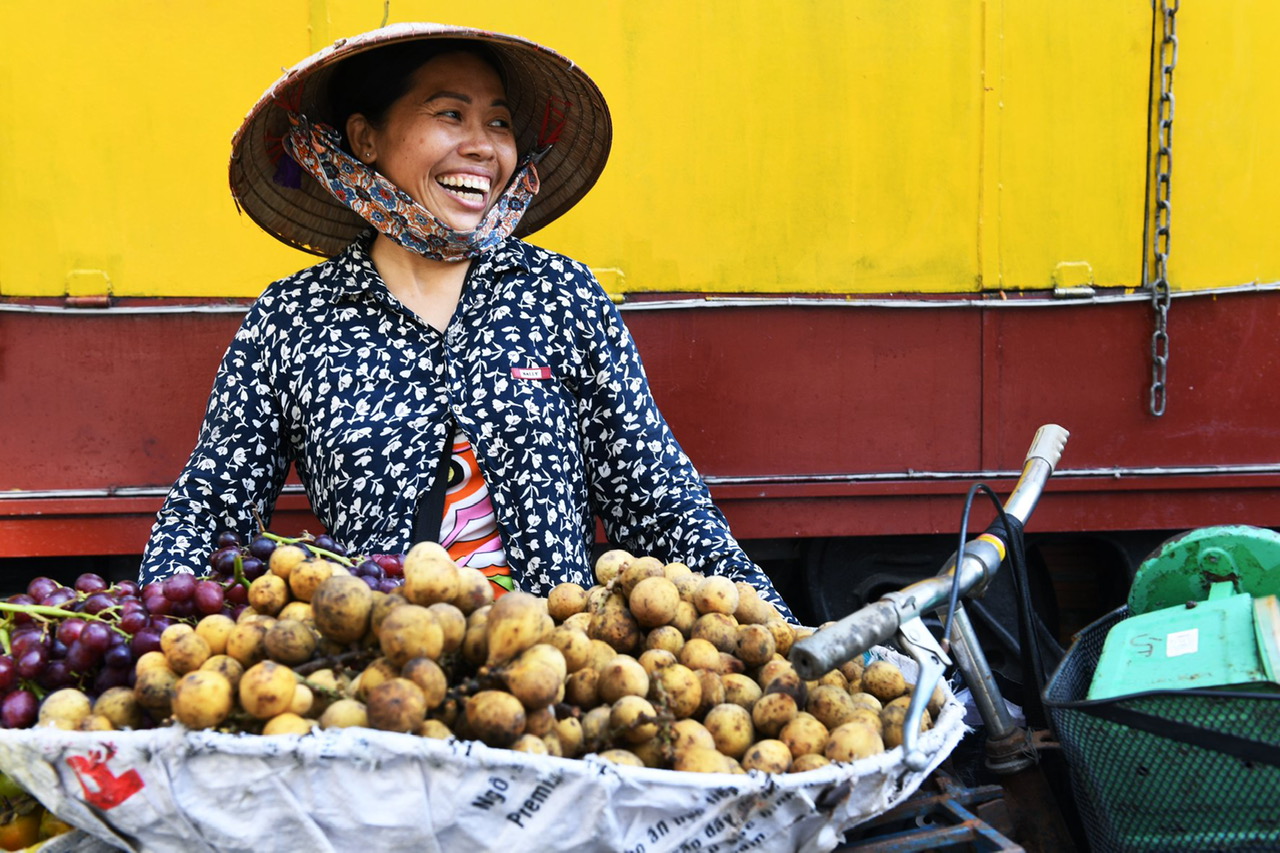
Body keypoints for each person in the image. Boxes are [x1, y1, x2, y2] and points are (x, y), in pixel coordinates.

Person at [140, 23, 792, 619]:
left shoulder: (562, 297)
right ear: (365, 138)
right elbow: (208, 512)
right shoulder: (293, 319)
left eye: (500, 124)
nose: (482, 147)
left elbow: (660, 503)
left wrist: (780, 629)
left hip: (556, 687)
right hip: (380, 687)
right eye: (451, 114)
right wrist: (154, 632)